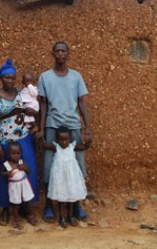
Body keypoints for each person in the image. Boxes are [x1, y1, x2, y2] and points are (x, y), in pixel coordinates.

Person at [37, 41, 93, 223]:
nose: (60, 54)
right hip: (53, 125)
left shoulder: (76, 77)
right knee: (47, 167)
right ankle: (48, 205)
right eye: (57, 51)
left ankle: (76, 204)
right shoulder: (45, 77)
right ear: (52, 53)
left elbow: (82, 103)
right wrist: (42, 128)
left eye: (64, 51)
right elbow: (43, 105)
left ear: (68, 54)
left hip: (73, 126)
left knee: (77, 166)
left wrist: (88, 128)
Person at [0, 58, 39, 226]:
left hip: (25, 138)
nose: (9, 80)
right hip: (5, 141)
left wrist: (35, 120)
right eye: (6, 77)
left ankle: (27, 207)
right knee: (7, 175)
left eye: (12, 77)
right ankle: (6, 209)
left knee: (26, 172)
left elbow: (33, 106)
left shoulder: (21, 93)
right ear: (1, 78)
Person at [42, 127, 88, 228]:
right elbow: (44, 145)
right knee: (61, 199)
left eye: (66, 139)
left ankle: (70, 216)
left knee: (71, 198)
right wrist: (39, 138)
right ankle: (62, 217)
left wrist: (88, 142)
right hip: (60, 179)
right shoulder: (56, 147)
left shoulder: (72, 147)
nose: (63, 142)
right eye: (61, 140)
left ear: (70, 139)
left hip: (71, 178)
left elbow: (84, 147)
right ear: (57, 140)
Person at [1, 141, 38, 229]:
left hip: (24, 185)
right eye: (13, 153)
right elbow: (2, 174)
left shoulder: (21, 162)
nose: (16, 155)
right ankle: (16, 219)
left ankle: (30, 215)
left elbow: (29, 171)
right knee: (15, 204)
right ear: (8, 154)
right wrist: (8, 174)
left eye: (18, 153)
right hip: (14, 187)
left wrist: (24, 168)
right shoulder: (7, 164)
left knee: (27, 201)